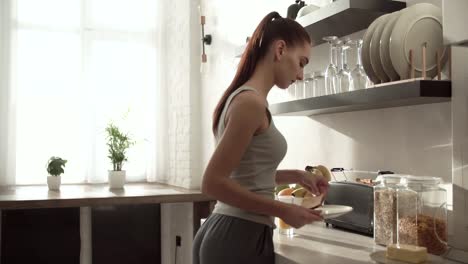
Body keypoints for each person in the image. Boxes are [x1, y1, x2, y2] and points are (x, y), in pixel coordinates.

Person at [193, 11, 329, 264]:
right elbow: (212, 183)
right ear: (280, 49)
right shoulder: (250, 104)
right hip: (238, 236)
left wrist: (296, 175)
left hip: (228, 232)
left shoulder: (242, 98)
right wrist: (284, 209)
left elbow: (244, 176)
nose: (301, 75)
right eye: (302, 62)